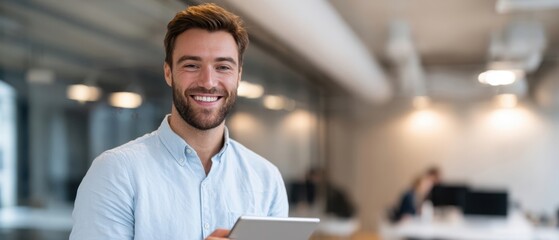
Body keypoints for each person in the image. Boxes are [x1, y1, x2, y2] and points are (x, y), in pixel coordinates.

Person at [70, 3, 288, 240]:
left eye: (223, 67)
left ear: (239, 76)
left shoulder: (266, 179)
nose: (208, 81)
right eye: (192, 65)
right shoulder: (116, 172)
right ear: (168, 72)